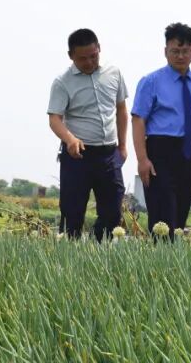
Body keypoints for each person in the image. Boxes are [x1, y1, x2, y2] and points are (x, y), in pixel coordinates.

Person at [131, 23, 191, 237]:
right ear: (165, 51)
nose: (180, 56)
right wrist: (142, 159)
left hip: (189, 153)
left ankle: (173, 256)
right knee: (163, 216)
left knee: (180, 216)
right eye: (175, 51)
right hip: (160, 151)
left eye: (185, 51)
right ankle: (159, 255)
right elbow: (138, 120)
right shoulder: (151, 82)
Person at [47, 28, 128, 242]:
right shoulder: (62, 82)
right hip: (78, 155)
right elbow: (54, 119)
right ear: (71, 56)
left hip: (109, 154)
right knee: (72, 213)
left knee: (113, 212)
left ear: (99, 48)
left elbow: (121, 109)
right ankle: (70, 254)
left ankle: (96, 250)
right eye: (83, 58)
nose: (89, 62)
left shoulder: (114, 73)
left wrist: (122, 146)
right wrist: (70, 139)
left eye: (93, 56)